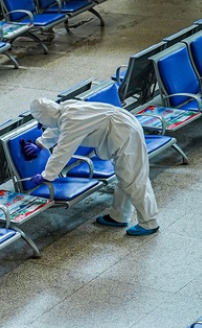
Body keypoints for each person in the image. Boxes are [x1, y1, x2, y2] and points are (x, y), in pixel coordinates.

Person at [24, 97, 161, 236]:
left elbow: (63, 150)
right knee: (126, 176)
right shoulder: (66, 109)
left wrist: (46, 175)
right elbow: (59, 126)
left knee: (133, 179)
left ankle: (149, 223)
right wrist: (40, 144)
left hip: (124, 132)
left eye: (41, 121)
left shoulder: (70, 120)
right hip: (124, 126)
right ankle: (119, 216)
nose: (41, 125)